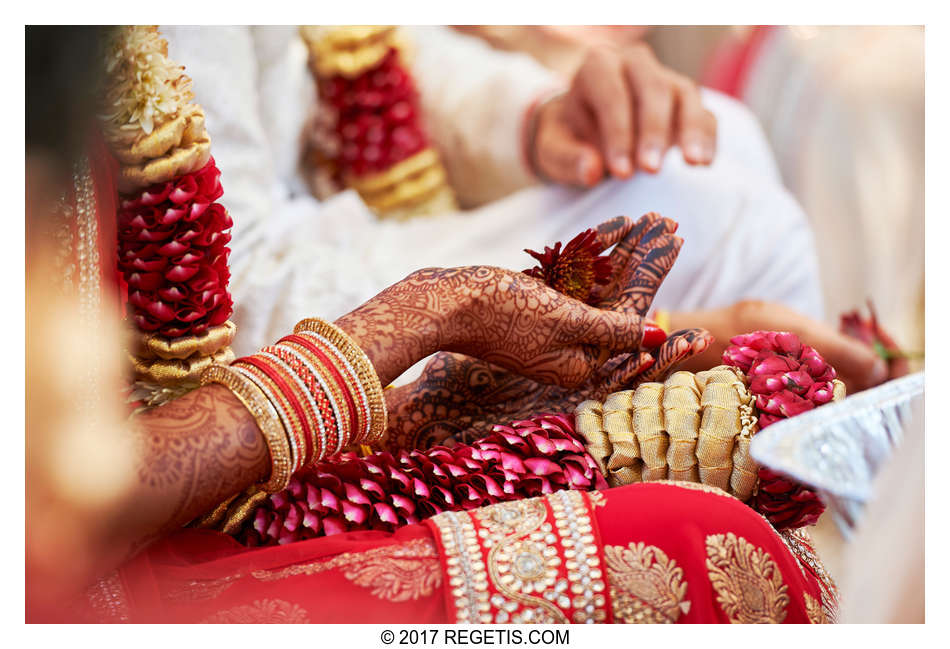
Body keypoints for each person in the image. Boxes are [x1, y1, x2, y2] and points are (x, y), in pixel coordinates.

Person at [156, 26, 887, 396]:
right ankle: (844, 570)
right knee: (748, 233)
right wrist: (662, 340)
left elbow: (363, 42)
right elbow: (231, 283)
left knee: (720, 136)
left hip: (337, 218)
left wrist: (537, 121)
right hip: (280, 299)